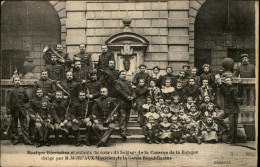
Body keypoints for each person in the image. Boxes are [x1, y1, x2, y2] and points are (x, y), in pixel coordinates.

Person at [6, 76, 33, 145]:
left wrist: (25, 107)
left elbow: (28, 100)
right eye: (16, 80)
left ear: (20, 81)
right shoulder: (10, 90)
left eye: (18, 80)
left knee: (24, 125)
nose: (17, 81)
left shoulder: (23, 90)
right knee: (14, 125)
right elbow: (8, 101)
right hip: (14, 110)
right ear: (13, 82)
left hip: (22, 110)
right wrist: (9, 110)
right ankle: (15, 139)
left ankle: (26, 140)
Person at [216, 76, 240, 144]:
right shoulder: (227, 88)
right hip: (227, 109)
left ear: (231, 81)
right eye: (226, 81)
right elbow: (223, 89)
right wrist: (220, 83)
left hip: (233, 110)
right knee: (218, 117)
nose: (227, 82)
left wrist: (237, 100)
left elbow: (236, 100)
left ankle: (233, 140)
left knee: (233, 126)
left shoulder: (233, 89)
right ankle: (225, 130)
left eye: (228, 80)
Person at [114, 70, 134, 139]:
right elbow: (119, 91)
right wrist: (127, 96)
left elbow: (132, 90)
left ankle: (125, 129)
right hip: (121, 101)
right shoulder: (117, 82)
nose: (124, 75)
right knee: (122, 116)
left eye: (125, 74)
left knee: (127, 117)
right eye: (122, 74)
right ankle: (122, 131)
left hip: (129, 102)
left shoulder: (128, 82)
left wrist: (132, 96)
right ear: (119, 75)